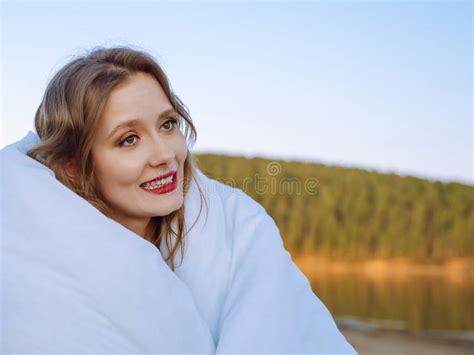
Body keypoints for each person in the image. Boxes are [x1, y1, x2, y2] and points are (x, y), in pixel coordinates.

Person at [1, 46, 357, 354]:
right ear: (74, 168)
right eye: (129, 139)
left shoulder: (241, 229)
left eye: (168, 125)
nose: (164, 155)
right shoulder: (43, 272)